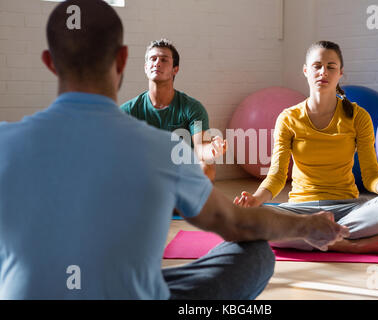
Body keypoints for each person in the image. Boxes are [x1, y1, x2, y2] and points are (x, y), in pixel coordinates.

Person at [0, 1, 348, 300]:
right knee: (255, 252)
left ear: (49, 62)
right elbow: (237, 223)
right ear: (123, 60)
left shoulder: (5, 142)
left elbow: (201, 151)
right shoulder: (161, 149)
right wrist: (307, 226)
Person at [234, 40, 378, 254]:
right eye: (317, 66)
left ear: (340, 73)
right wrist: (255, 199)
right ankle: (347, 244)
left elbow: (372, 176)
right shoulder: (288, 118)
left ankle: (317, 235)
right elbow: (277, 177)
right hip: (301, 209)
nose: (323, 72)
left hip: (348, 208)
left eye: (331, 66)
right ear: (306, 71)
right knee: (246, 217)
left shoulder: (357, 116)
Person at [120, 38, 225, 182]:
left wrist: (212, 150)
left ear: (175, 69)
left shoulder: (193, 108)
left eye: (164, 60)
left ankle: (183, 202)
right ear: (146, 67)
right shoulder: (128, 110)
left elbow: (201, 147)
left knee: (206, 168)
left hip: (181, 174)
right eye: (153, 59)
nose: (157, 63)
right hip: (145, 173)